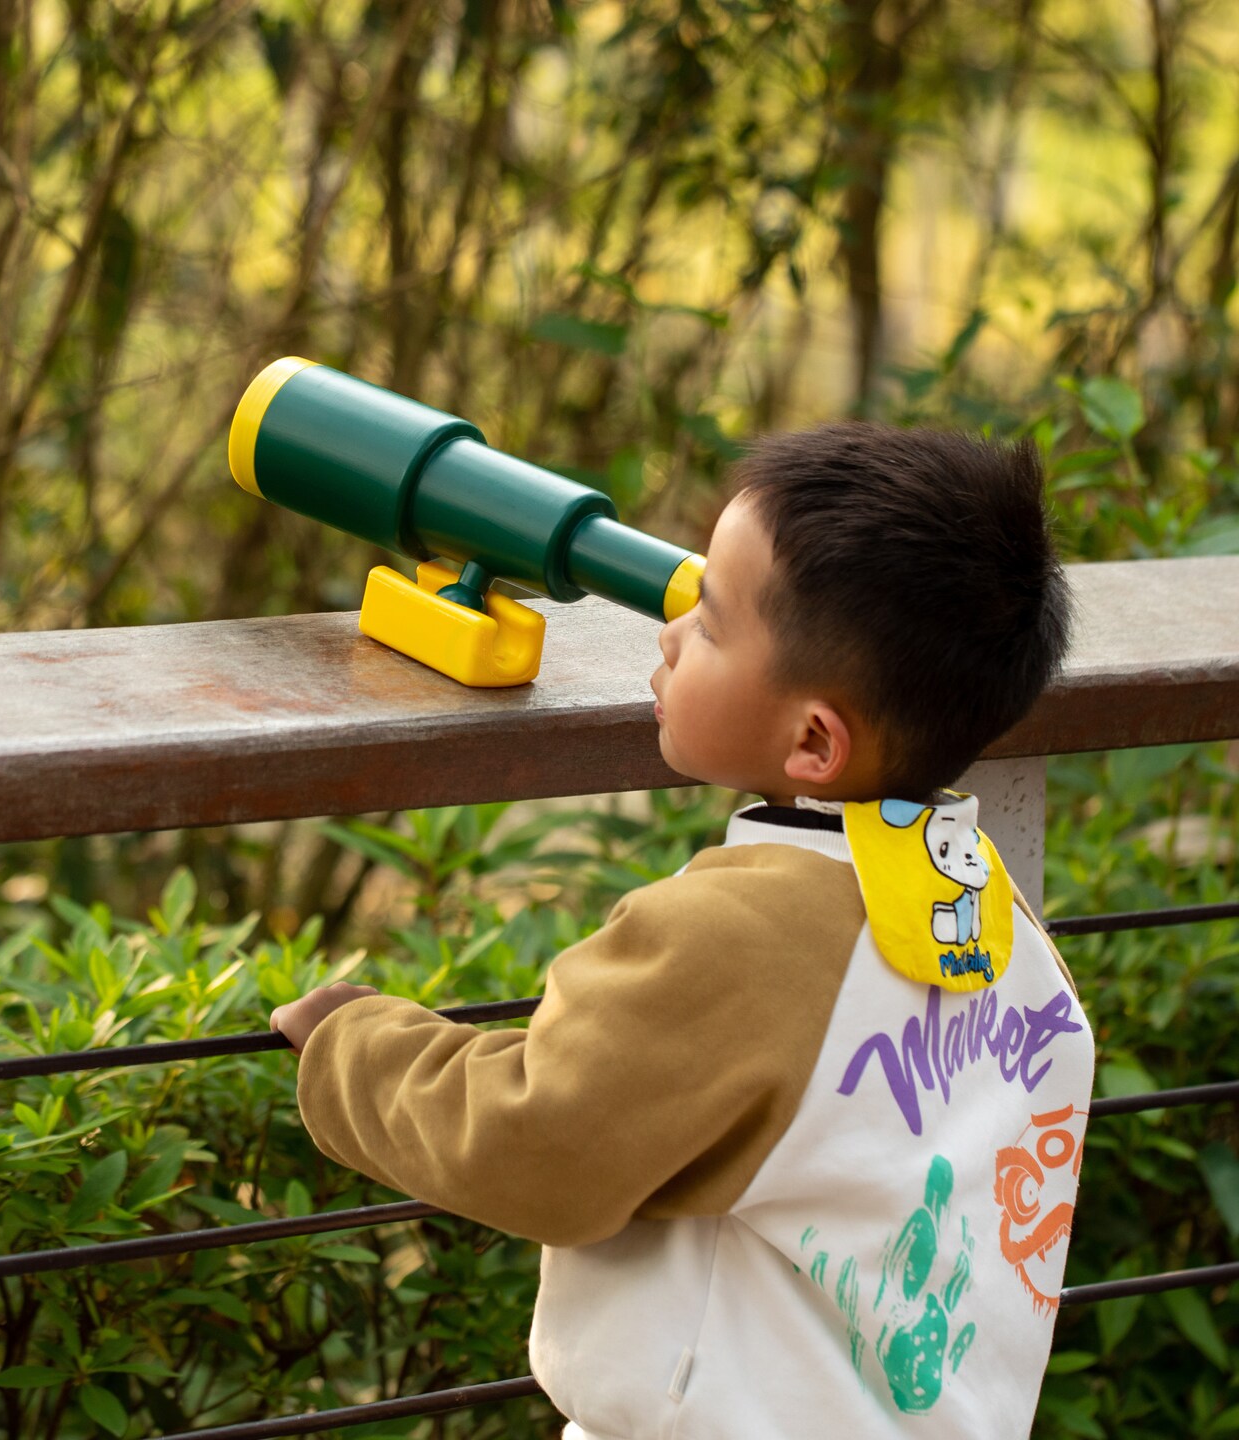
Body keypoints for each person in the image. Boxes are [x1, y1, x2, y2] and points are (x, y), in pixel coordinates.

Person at [268, 423, 1096, 1439]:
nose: (666, 635)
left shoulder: (741, 936)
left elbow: (538, 1140)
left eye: (706, 621)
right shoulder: (1000, 933)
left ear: (812, 739)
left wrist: (355, 1043)